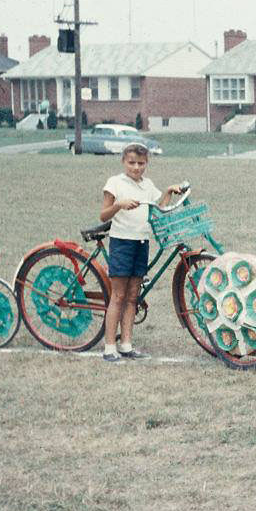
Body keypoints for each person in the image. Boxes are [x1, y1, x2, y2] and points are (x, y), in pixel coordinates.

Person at [98, 143, 184, 362]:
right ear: (123, 162)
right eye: (132, 163)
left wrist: (167, 193)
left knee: (133, 296)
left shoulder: (148, 185)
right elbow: (103, 215)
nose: (136, 167)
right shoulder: (115, 183)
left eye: (141, 163)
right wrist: (119, 204)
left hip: (141, 242)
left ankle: (126, 345)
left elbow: (159, 207)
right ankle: (109, 347)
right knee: (118, 295)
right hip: (122, 243)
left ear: (147, 163)